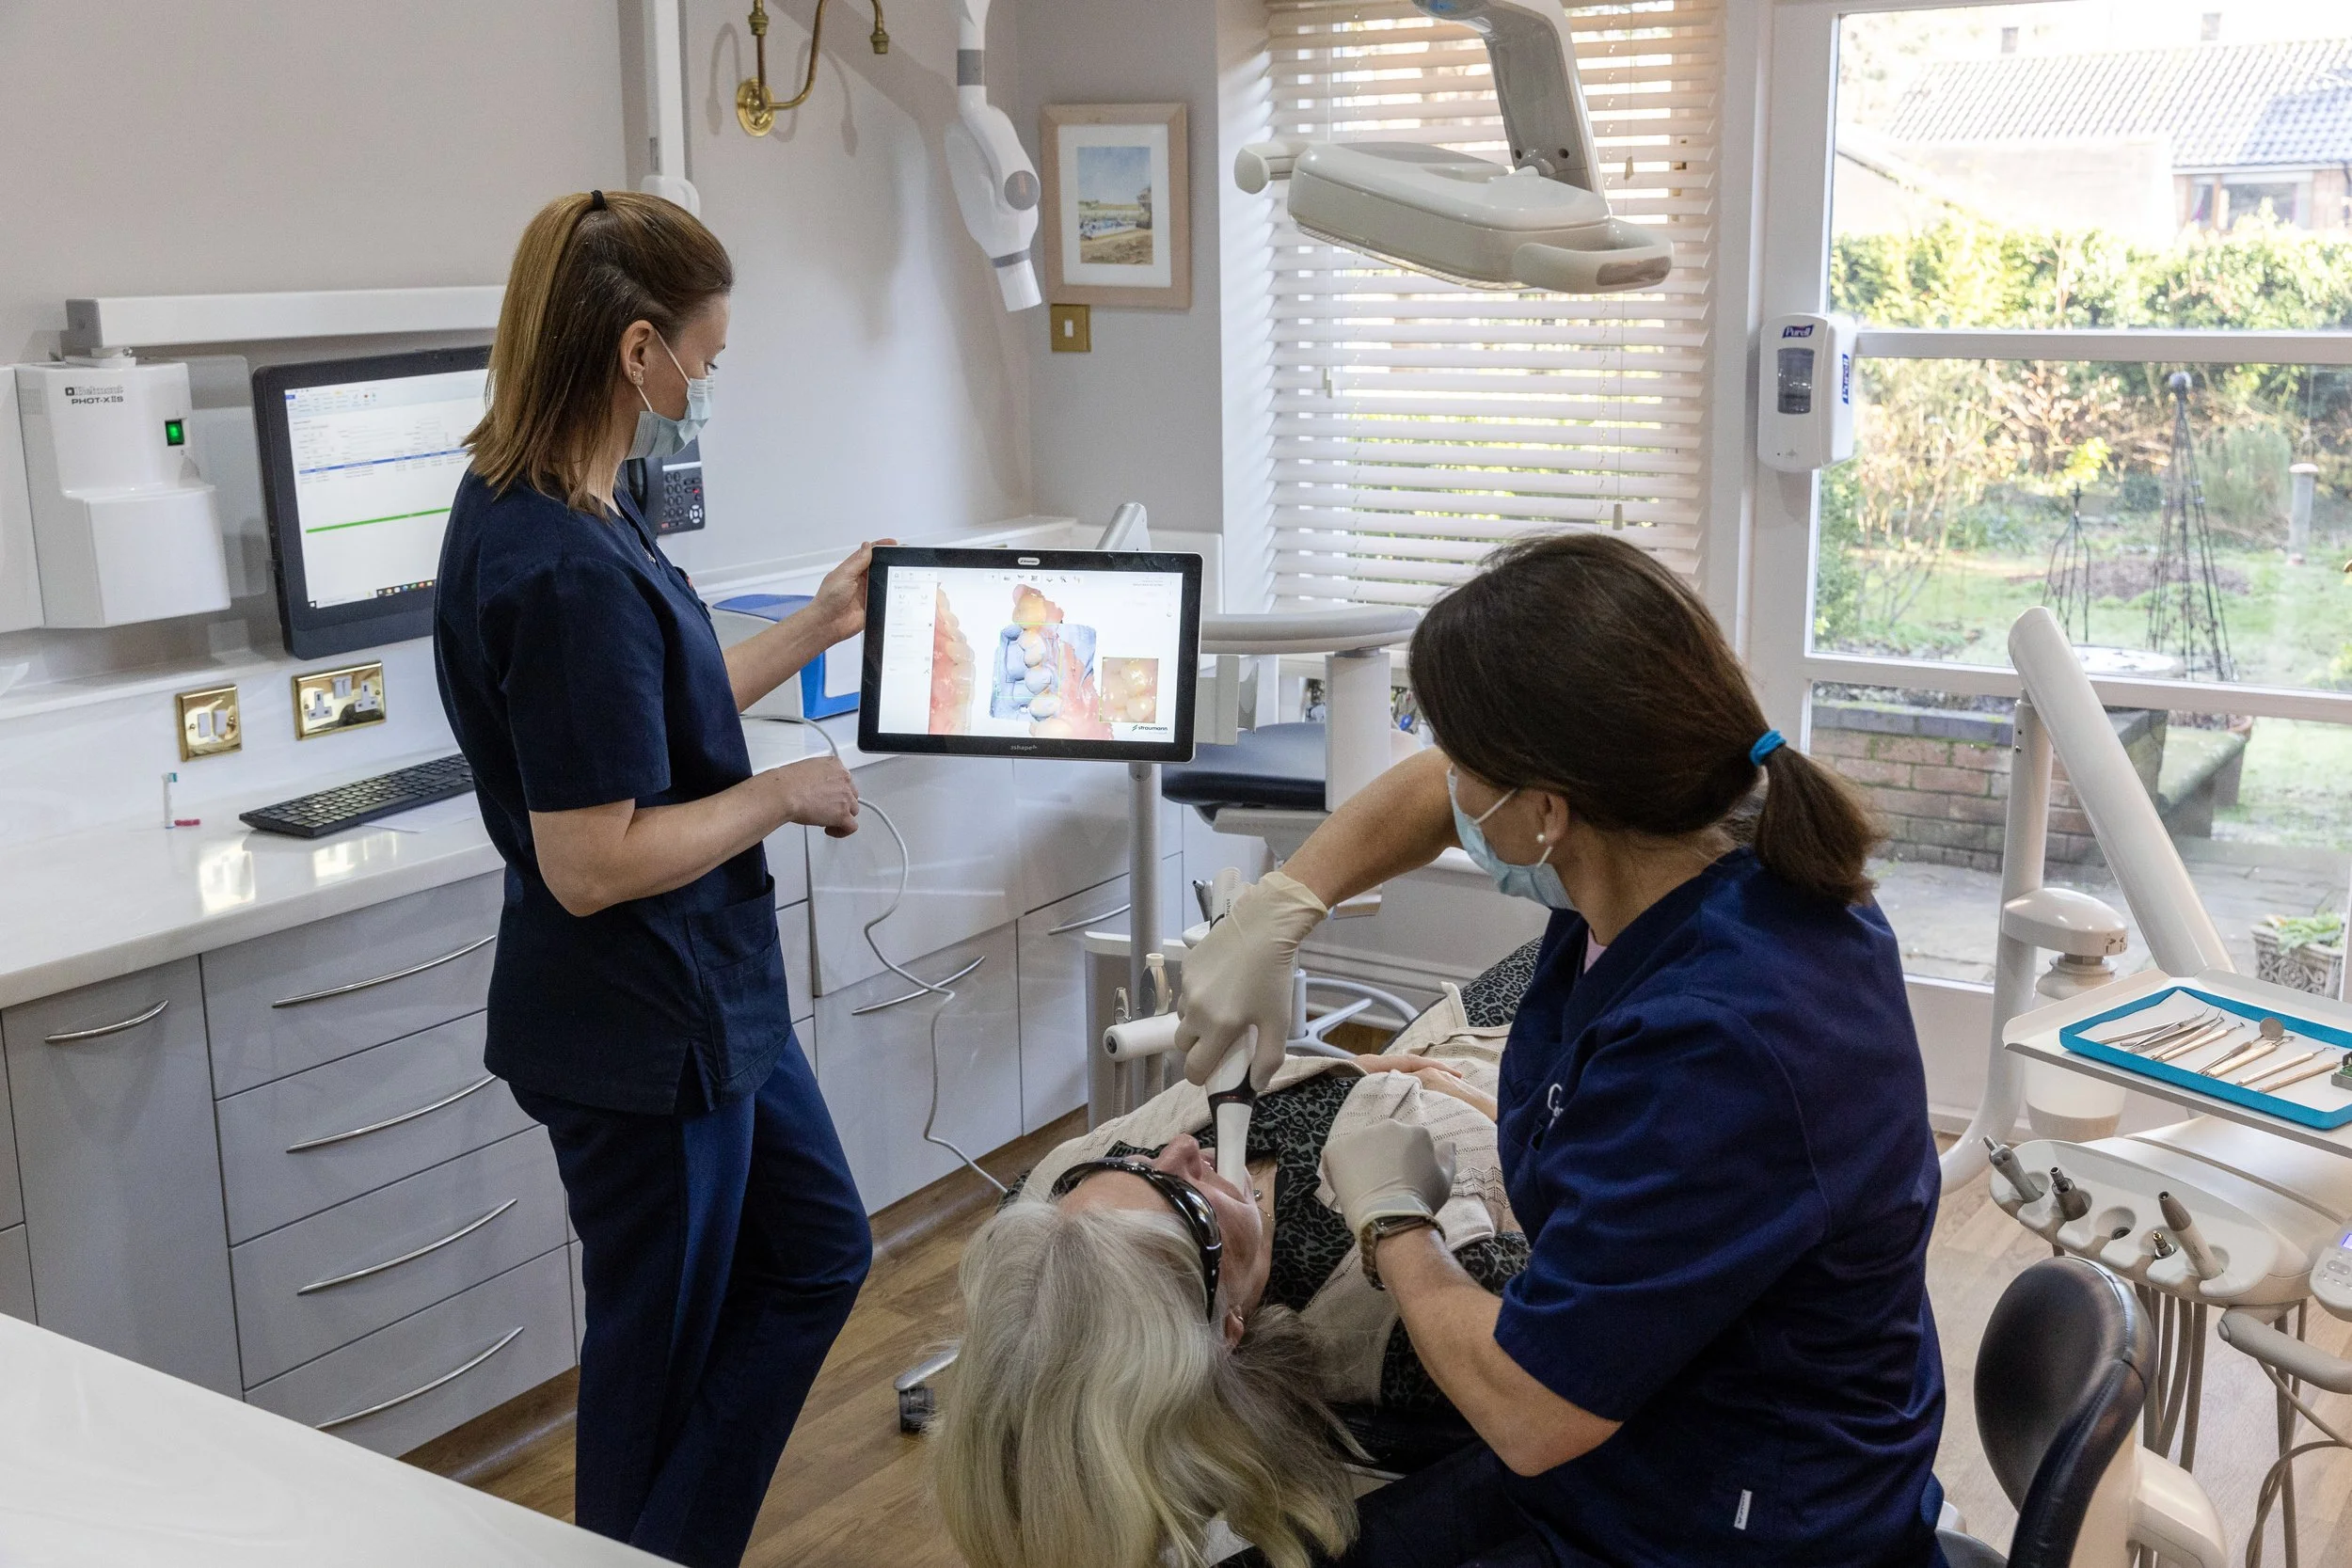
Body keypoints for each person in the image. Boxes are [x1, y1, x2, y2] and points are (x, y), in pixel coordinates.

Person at [1176, 533, 1947, 1567]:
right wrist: (1283, 902)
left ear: (1545, 811)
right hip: (1642, 1436)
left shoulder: (1715, 1043)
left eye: (1468, 767)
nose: (1449, 787)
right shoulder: (1706, 838)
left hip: (1729, 1518)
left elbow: (1533, 1410)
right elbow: (1428, 793)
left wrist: (1396, 1222)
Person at [434, 190, 881, 1568]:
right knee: (656, 1349)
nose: (707, 384)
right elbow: (590, 860)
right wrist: (783, 793)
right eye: (707, 356)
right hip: (639, 1023)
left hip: (705, 997)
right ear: (639, 351)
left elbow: (665, 713)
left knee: (819, 1249)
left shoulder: (575, 501)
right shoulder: (560, 568)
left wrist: (816, 621)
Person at [933, 988, 1524, 1568]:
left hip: (1454, 1028)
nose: (1186, 1147)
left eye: (1129, 1160)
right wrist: (1506, 1124)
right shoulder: (1402, 1312)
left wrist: (1346, 1072)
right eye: (1188, 1204)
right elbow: (1595, 1280)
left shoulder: (1042, 1200)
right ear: (1227, 1326)